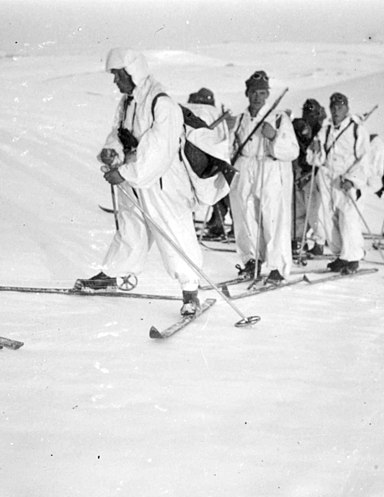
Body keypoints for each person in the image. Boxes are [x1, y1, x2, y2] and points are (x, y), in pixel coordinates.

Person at [76, 48, 204, 315]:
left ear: (132, 72)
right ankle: (114, 274)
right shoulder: (127, 102)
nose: (115, 81)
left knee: (174, 232)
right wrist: (112, 151)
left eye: (118, 75)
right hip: (133, 176)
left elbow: (158, 152)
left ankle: (190, 292)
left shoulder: (162, 104)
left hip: (162, 182)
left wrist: (124, 173)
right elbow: (119, 132)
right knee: (130, 225)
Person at [230, 70, 298, 283]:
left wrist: (274, 137)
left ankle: (277, 266)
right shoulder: (240, 118)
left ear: (267, 94)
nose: (257, 97)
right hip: (244, 166)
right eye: (253, 92)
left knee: (272, 217)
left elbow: (292, 150)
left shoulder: (278, 118)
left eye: (261, 92)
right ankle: (251, 260)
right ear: (247, 93)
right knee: (244, 215)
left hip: (268, 167)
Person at [307, 92, 373, 274]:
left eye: (340, 107)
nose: (336, 111)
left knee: (348, 219)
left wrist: (352, 180)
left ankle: (352, 258)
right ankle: (340, 255)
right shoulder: (326, 129)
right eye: (333, 107)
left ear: (347, 109)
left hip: (346, 180)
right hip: (328, 178)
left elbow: (364, 158)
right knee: (329, 218)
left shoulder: (356, 129)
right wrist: (314, 149)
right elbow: (316, 158)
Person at [186, 88, 232, 240]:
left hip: (189, 158)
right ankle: (217, 223)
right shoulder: (214, 112)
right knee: (218, 190)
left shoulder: (190, 111)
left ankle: (201, 223)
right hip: (211, 159)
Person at [291, 98, 327, 256]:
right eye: (306, 110)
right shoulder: (298, 128)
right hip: (298, 174)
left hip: (312, 176)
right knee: (298, 211)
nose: (308, 114)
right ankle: (298, 240)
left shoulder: (322, 132)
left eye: (311, 111)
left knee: (314, 213)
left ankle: (319, 242)